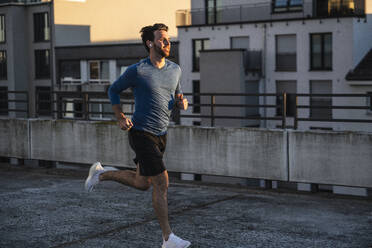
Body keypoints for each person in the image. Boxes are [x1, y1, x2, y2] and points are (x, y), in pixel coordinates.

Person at [84, 23, 191, 248]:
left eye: (167, 39)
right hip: (141, 132)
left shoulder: (175, 69)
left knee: (142, 183)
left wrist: (182, 103)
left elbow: (178, 96)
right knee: (162, 182)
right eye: (162, 39)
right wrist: (120, 116)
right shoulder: (138, 70)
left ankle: (100, 174)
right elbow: (113, 90)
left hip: (162, 134)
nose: (167, 42)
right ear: (149, 43)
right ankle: (167, 239)